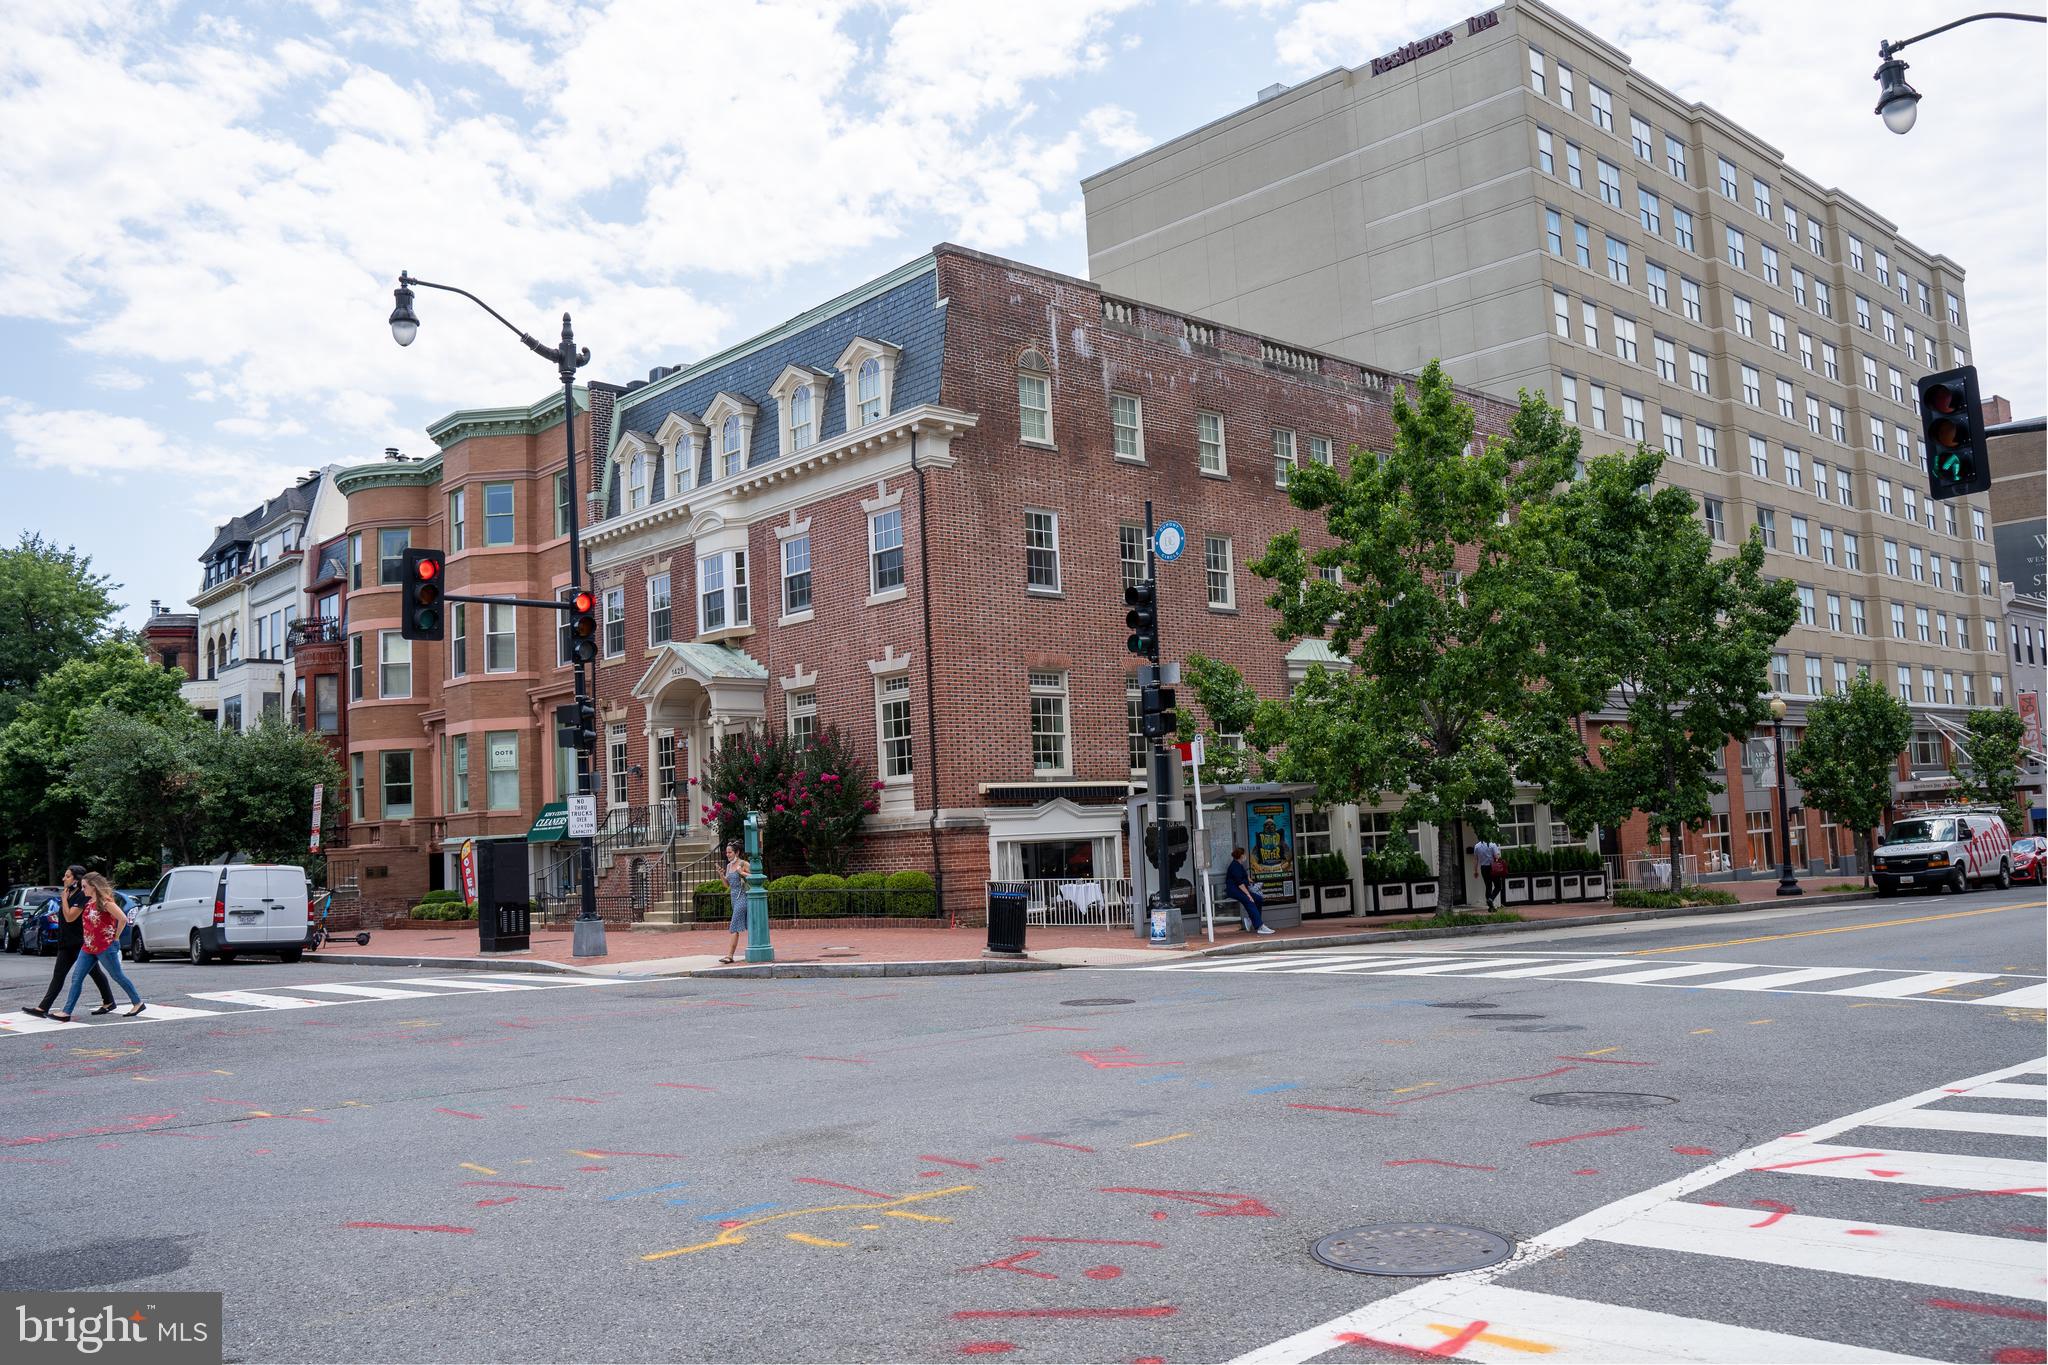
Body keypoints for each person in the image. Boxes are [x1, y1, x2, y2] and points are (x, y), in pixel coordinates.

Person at [21, 865, 115, 1019]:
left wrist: (64, 900)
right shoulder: (70, 893)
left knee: (95, 973)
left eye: (67, 876)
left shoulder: (82, 895)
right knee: (60, 974)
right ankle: (43, 1007)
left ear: (76, 879)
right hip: (67, 942)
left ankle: (110, 1001)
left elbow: (70, 917)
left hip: (79, 942)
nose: (64, 879)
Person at [48, 872, 145, 1021]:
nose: (82, 889)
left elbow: (123, 919)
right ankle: (66, 1012)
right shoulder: (88, 902)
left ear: (93, 886)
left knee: (117, 976)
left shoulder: (105, 902)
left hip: (105, 946)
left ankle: (137, 1002)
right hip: (88, 947)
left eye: (85, 886)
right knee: (76, 977)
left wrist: (115, 938)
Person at [1224, 846, 1274, 934]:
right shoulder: (1234, 866)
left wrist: (1251, 881)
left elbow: (1245, 876)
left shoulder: (1239, 865)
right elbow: (1240, 883)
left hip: (1240, 889)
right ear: (1241, 856)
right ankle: (1260, 926)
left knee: (1258, 899)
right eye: (1244, 854)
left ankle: (1250, 919)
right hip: (1234, 890)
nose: (1245, 856)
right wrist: (1248, 895)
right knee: (1250, 901)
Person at [717, 843, 748, 964]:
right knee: (739, 925)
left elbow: (756, 876)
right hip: (734, 898)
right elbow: (726, 885)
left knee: (734, 926)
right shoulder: (729, 866)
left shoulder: (743, 864)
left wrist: (742, 872)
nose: (728, 854)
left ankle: (729, 955)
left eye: (730, 852)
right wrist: (721, 875)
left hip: (743, 897)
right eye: (727, 852)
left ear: (737, 852)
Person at [1472, 836, 1506, 910]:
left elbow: (1475, 860)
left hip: (1483, 868)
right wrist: (1499, 856)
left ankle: (1491, 907)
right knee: (1498, 886)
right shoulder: (1492, 845)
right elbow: (1497, 856)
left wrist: (1475, 871)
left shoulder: (1477, 846)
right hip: (1493, 867)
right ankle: (1491, 899)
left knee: (1488, 886)